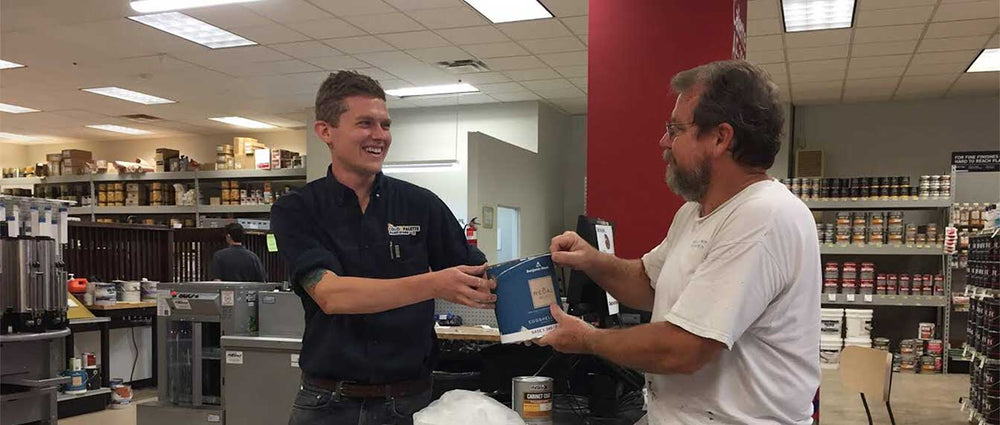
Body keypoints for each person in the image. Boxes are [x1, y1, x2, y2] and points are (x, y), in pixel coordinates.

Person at [538, 60, 821, 424]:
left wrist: (589, 339)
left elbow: (684, 350)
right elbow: (647, 282)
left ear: (721, 138)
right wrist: (591, 259)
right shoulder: (694, 213)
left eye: (675, 129)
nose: (663, 141)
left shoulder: (764, 215)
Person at [271, 70, 494, 425]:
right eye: (365, 123)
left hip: (408, 403)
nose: (380, 136)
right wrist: (434, 283)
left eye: (385, 124)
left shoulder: (422, 205)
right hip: (326, 404)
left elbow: (477, 276)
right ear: (325, 131)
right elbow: (332, 296)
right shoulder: (296, 209)